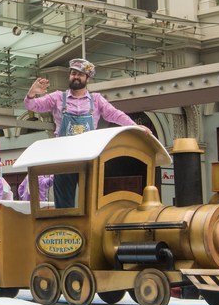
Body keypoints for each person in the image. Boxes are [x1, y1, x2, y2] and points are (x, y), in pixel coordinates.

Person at [24, 58, 144, 207]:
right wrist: (31, 93)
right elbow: (32, 105)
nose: (76, 77)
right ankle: (65, 228)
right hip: (63, 159)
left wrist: (135, 127)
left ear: (87, 78)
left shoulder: (96, 100)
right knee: (63, 205)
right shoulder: (57, 98)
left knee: (91, 203)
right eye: (73, 73)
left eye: (80, 74)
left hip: (88, 157)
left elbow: (115, 114)